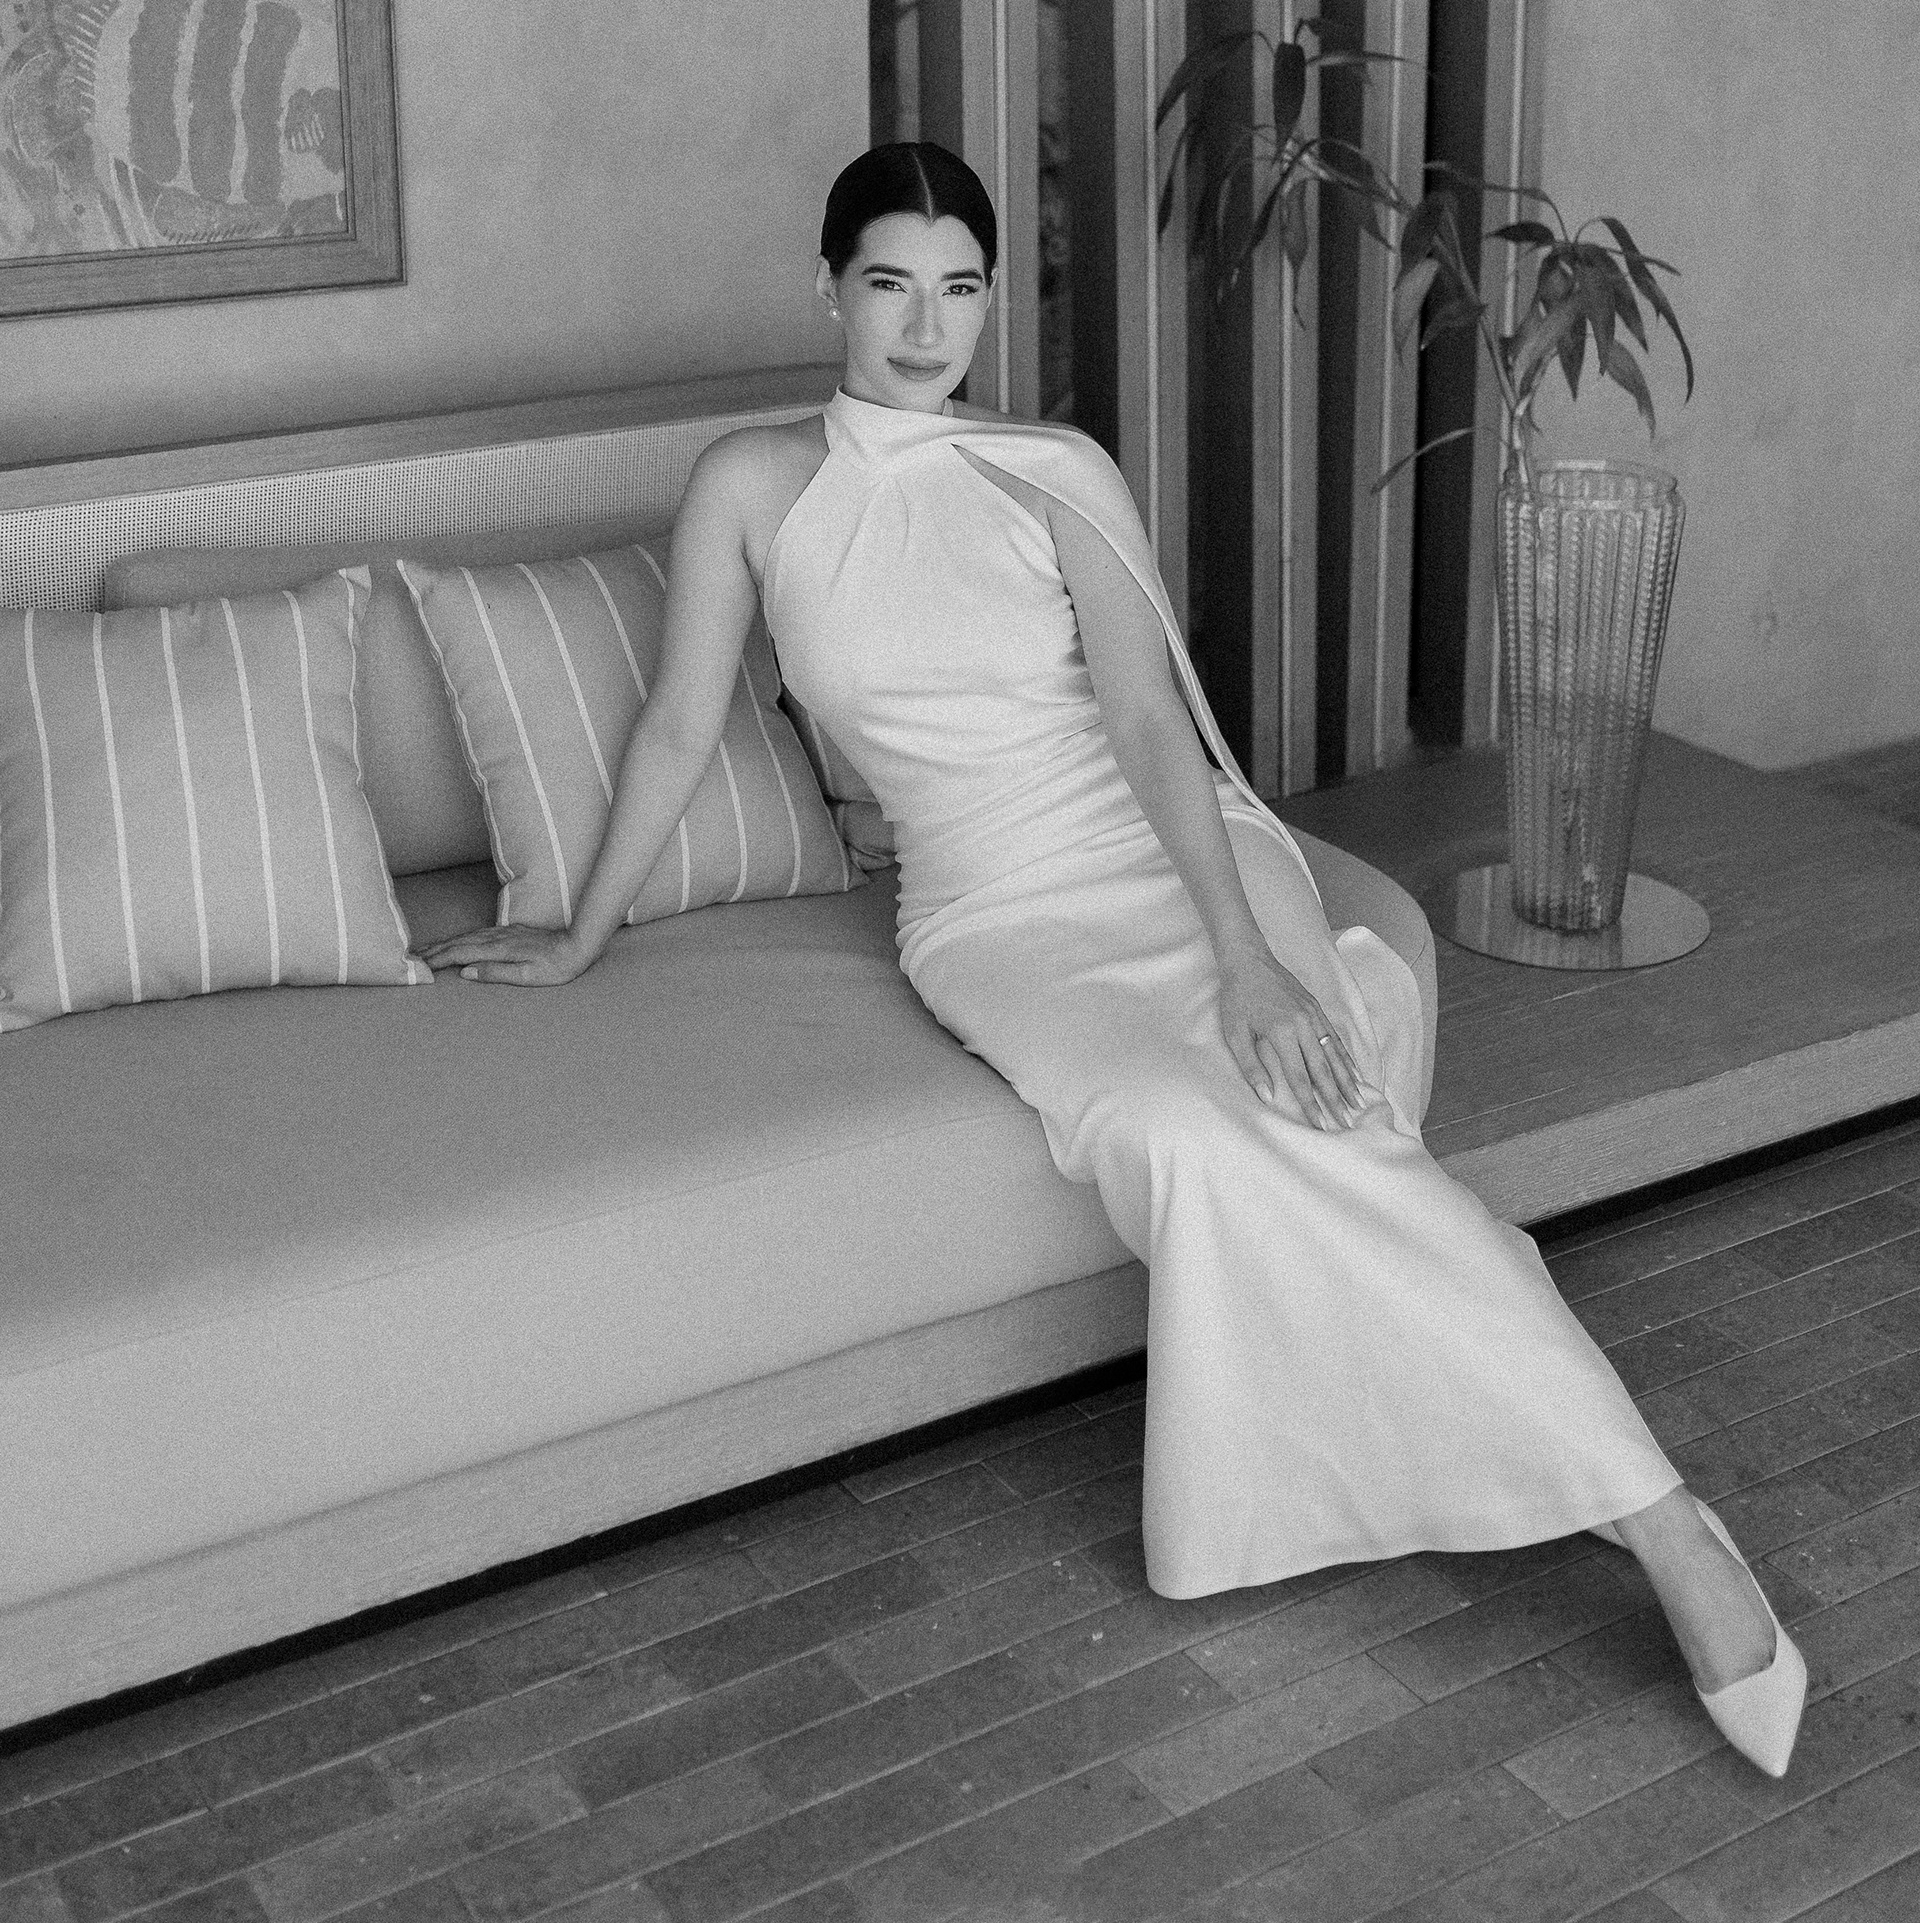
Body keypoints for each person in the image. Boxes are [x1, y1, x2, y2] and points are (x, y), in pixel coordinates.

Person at [430, 139, 1806, 1779]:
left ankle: (1661, 1523)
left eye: (959, 289)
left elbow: (1152, 726)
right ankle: (1581, 1475)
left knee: (1302, 1112)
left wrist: (1248, 958)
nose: (926, 328)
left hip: (1170, 857)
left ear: (989, 301)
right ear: (829, 291)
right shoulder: (749, 484)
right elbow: (674, 725)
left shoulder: (1053, 469)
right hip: (988, 914)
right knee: (1178, 1133)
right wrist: (578, 934)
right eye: (890, 285)